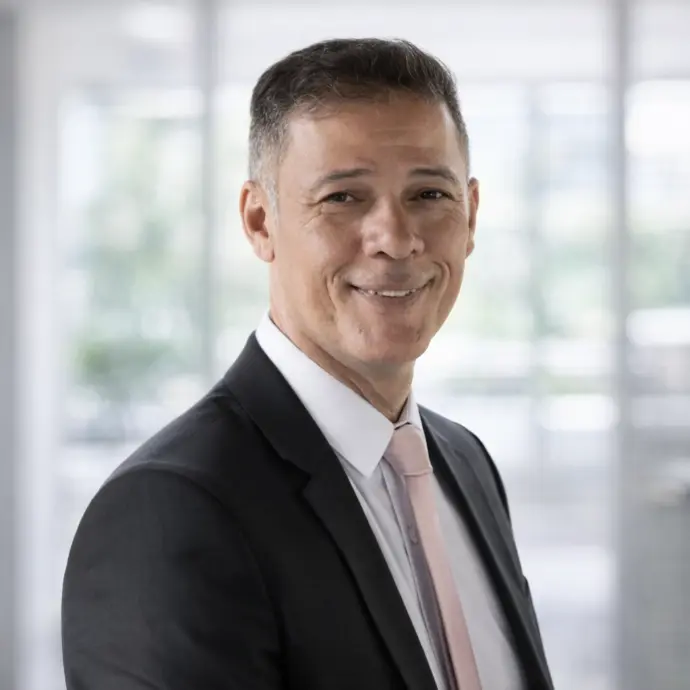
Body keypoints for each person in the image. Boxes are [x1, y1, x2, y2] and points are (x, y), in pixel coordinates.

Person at [61, 38, 553, 690]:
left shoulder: (465, 464)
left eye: (429, 194)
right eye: (343, 198)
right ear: (259, 221)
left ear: (471, 216)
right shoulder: (168, 511)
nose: (395, 238)